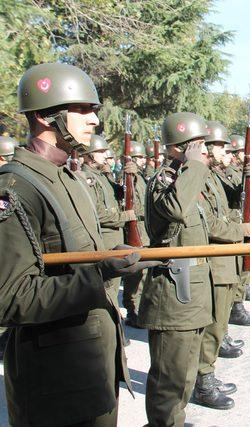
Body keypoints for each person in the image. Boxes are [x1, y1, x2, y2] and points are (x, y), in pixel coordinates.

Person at [0, 62, 159, 426]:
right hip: (55, 382)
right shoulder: (16, 188)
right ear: (43, 115)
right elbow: (8, 298)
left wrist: (110, 257)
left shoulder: (67, 177)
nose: (93, 121)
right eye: (83, 110)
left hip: (91, 368)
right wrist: (99, 274)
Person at [138, 112, 215, 425]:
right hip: (174, 291)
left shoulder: (185, 178)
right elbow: (175, 209)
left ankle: (174, 421)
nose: (204, 153)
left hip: (192, 291)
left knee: (184, 373)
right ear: (179, 149)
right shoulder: (165, 181)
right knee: (169, 378)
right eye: (197, 146)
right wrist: (194, 166)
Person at [193, 121, 250, 410]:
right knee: (211, 326)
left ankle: (208, 375)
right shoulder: (197, 177)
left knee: (218, 325)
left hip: (225, 259)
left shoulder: (214, 176)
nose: (225, 150)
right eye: (219, 146)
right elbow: (207, 222)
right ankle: (203, 383)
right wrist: (240, 231)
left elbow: (234, 203)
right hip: (214, 261)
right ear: (205, 148)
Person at [81, 134, 136, 303]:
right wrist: (124, 216)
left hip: (115, 239)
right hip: (105, 241)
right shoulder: (88, 179)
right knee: (107, 291)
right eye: (101, 151)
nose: (106, 155)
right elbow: (96, 213)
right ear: (89, 154)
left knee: (112, 290)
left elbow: (120, 194)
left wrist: (131, 177)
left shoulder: (102, 176)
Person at [122, 141, 151, 328]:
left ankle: (140, 307)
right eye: (139, 158)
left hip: (143, 231)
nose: (142, 161)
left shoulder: (140, 178)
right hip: (133, 230)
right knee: (134, 275)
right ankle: (132, 310)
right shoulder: (125, 177)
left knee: (144, 273)